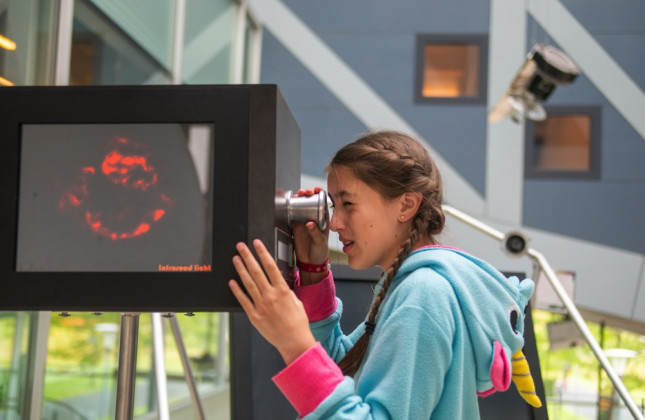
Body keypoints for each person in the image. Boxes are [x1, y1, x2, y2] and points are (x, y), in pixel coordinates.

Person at [228, 130, 540, 419]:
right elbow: (344, 371)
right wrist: (312, 272)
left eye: (348, 203)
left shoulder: (423, 295)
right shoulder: (409, 287)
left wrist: (294, 345)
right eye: (334, 205)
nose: (334, 223)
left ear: (406, 206)